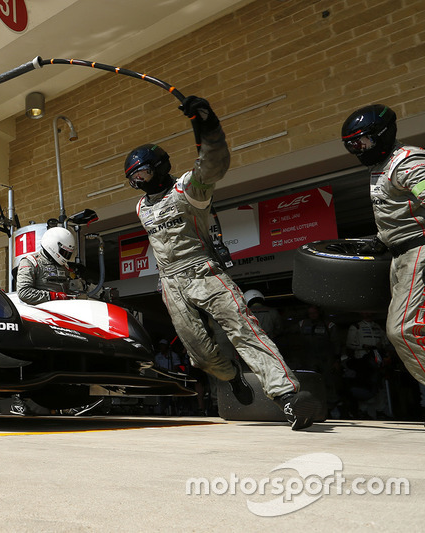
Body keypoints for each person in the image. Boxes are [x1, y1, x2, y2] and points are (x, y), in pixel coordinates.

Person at [124, 95, 318, 430]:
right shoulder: (141, 208)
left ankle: (288, 397)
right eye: (132, 179)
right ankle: (231, 378)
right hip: (171, 282)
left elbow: (213, 164)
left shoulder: (189, 190)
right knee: (198, 353)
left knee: (244, 329)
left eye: (140, 174)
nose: (137, 183)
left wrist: (207, 126)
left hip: (203, 270)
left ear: (159, 167)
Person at [341, 104, 425, 400]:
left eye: (362, 142)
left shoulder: (406, 162)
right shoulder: (380, 167)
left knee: (403, 330)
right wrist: (380, 239)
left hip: (419, 251)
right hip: (400, 256)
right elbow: (398, 211)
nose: (358, 149)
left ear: (383, 134)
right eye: (352, 145)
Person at [16, 226, 77, 305]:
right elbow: (24, 292)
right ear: (53, 246)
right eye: (64, 252)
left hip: (63, 311)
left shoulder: (65, 266)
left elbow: (70, 290)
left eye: (68, 253)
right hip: (40, 313)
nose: (66, 256)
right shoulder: (31, 262)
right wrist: (53, 296)